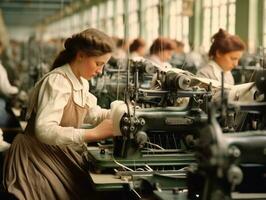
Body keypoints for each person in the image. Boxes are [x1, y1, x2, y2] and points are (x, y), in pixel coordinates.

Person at [3, 28, 115, 200]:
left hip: (57, 152)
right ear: (81, 55)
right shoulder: (57, 82)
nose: (101, 70)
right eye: (98, 63)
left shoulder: (81, 82)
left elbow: (92, 114)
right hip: (36, 158)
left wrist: (118, 114)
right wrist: (93, 134)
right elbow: (45, 130)